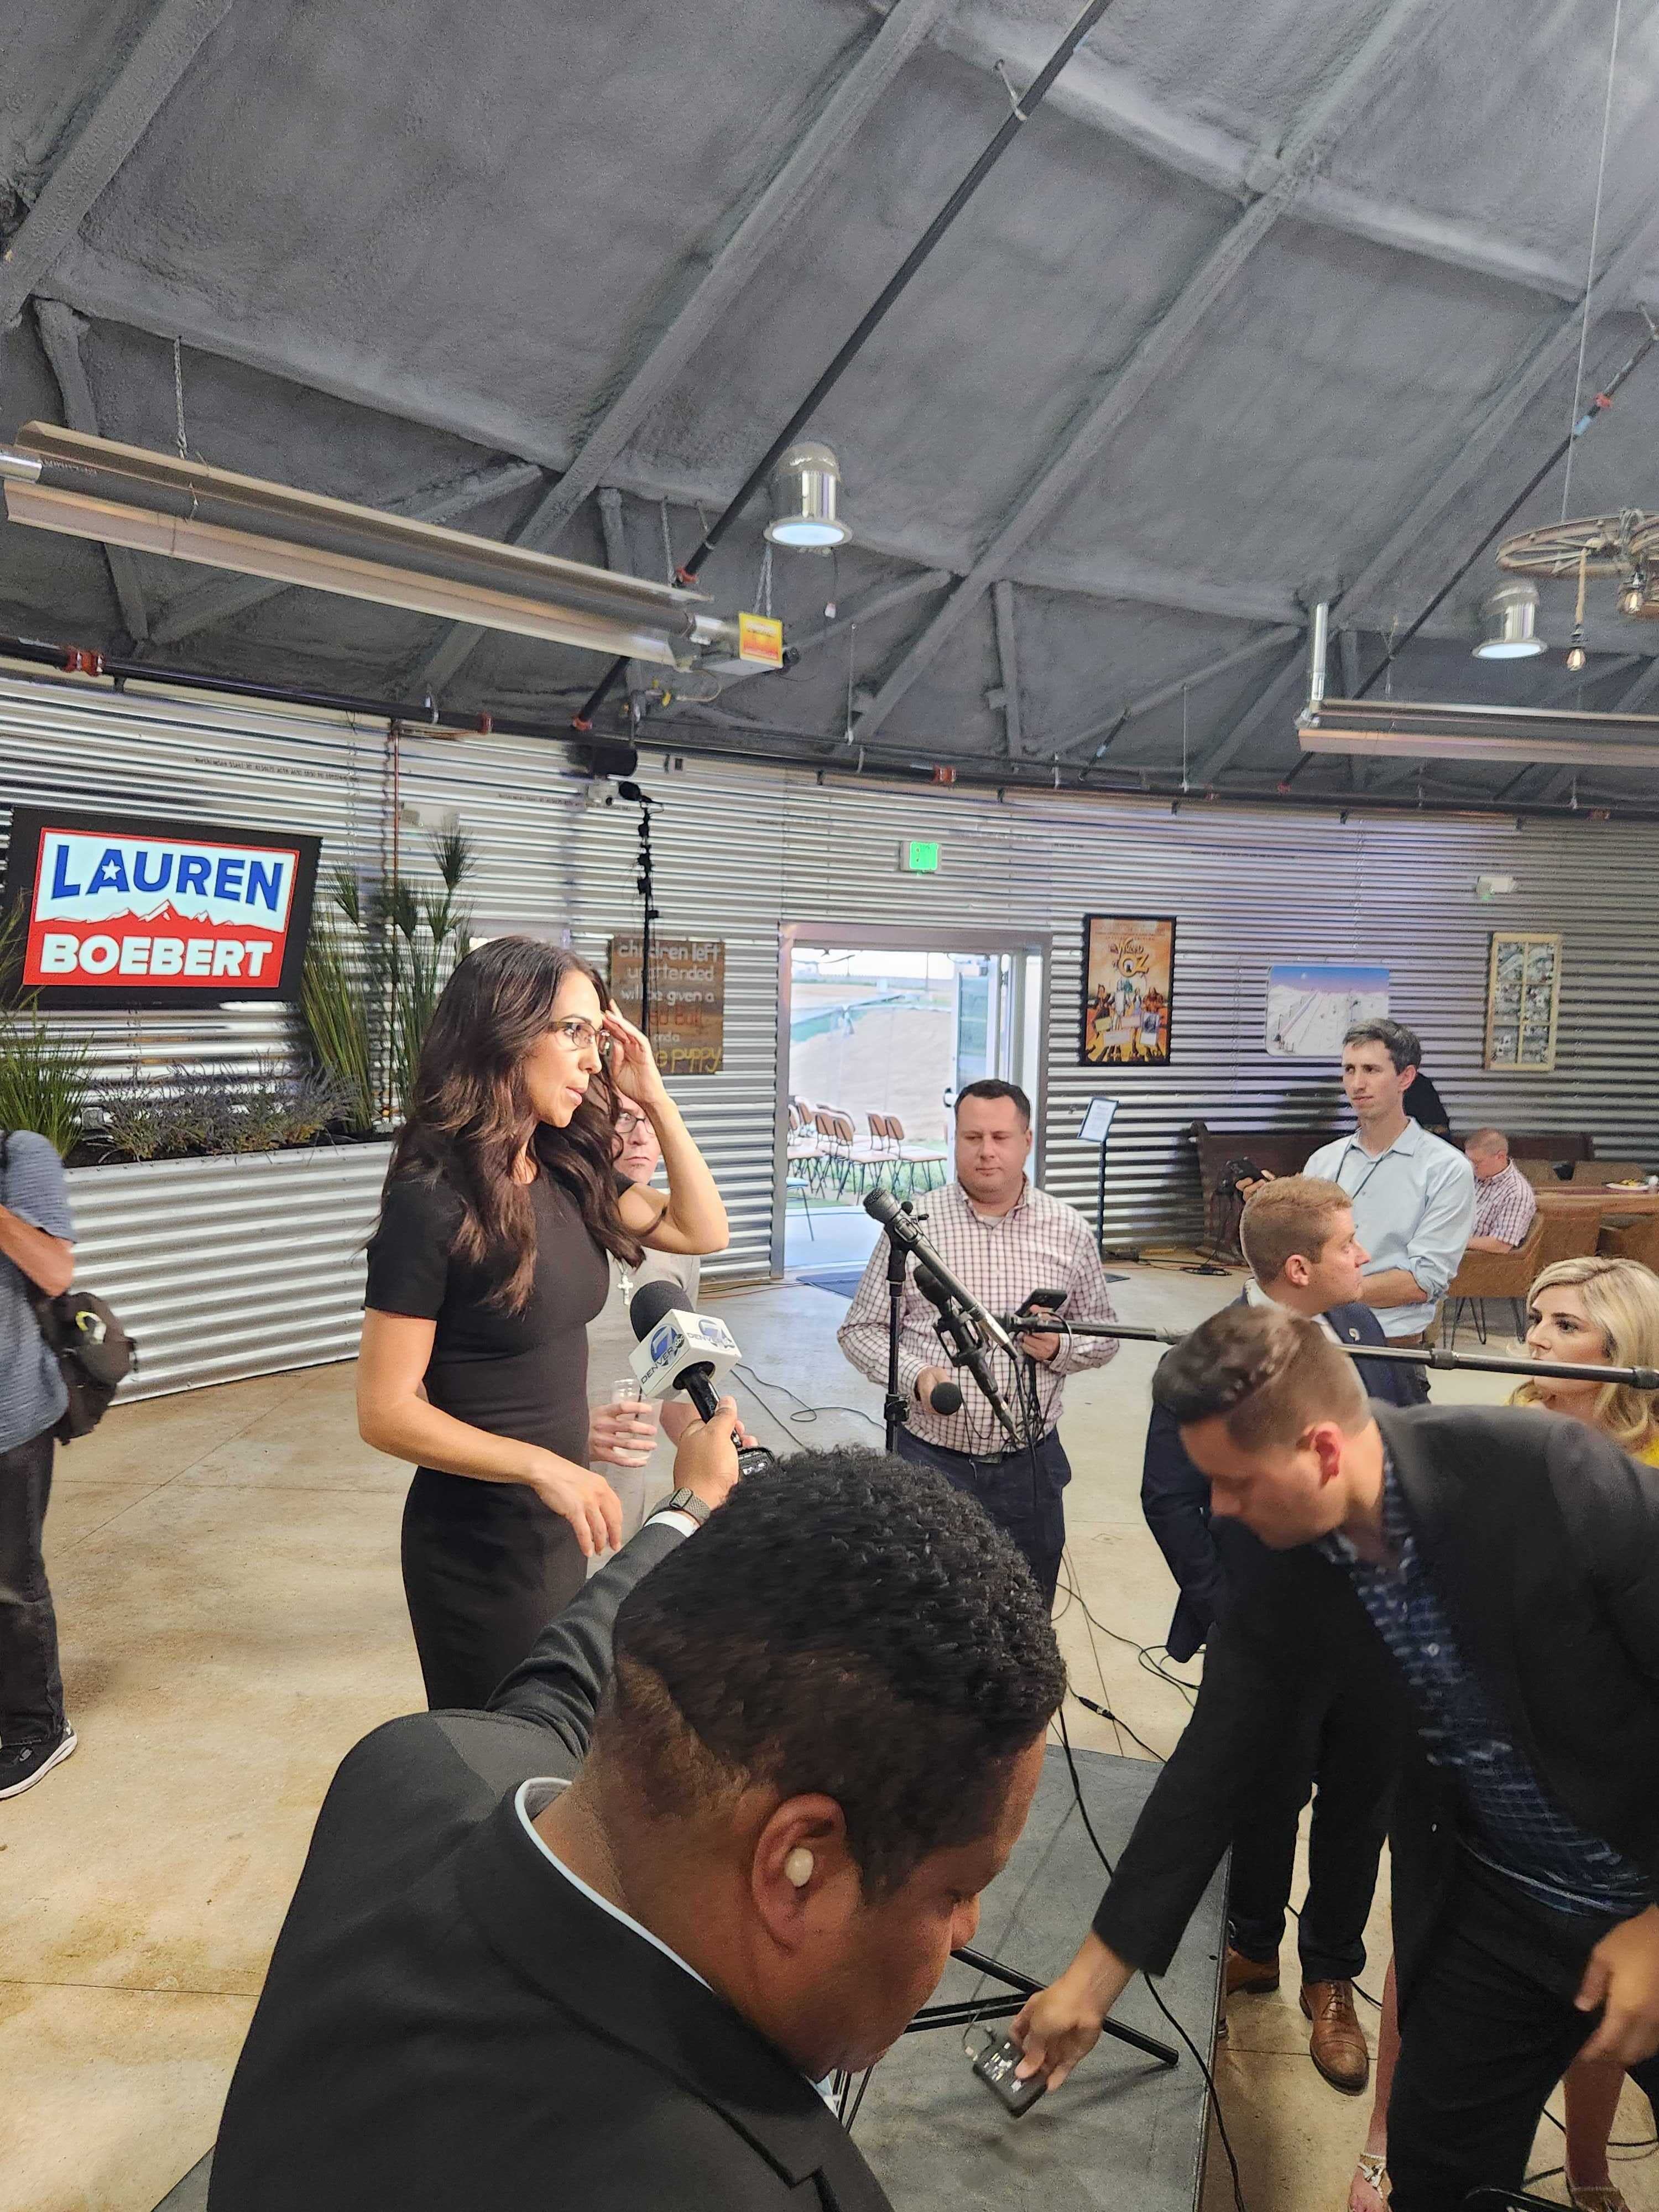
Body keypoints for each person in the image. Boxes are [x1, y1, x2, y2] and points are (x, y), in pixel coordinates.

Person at [206, 1439, 1066, 2212]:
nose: (966, 1933)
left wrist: (686, 1512)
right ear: (798, 1864)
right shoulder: (757, 2188)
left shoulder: (406, 1771)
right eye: (957, 1889)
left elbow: (566, 1673)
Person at [1012, 1302, 1659, 2212]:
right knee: (1440, 2183)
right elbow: (1222, 1753)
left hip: (1642, 1880)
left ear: (1321, 1451)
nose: (1222, 1510)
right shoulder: (1291, 1550)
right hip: (1490, 1904)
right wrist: (1092, 1978)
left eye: (1234, 1484)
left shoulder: (1553, 1481)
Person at [1348, 1253, 1659, 2212]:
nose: (1537, 1338)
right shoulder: (1498, 1442)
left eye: (1567, 1325)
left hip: (1618, 1833)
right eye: (1535, 1318)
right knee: (1425, 1958)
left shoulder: (1646, 1486)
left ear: (1631, 1349)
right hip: (1476, 1807)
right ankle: (1384, 2143)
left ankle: (1589, 2163)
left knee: (1604, 2011)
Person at [357, 936, 729, 1710]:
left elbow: (702, 1231)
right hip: (480, 1544)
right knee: (510, 1754)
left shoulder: (567, 1170)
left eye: (599, 1035)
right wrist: (542, 1465)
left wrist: (657, 1097)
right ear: (504, 1031)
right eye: (574, 1032)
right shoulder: (432, 1202)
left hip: (561, 1524)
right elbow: (385, 1412)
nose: (595, 1060)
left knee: (563, 1741)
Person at [1142, 1176, 1420, 2092]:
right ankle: (1250, 1947)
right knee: (1262, 1797)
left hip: (1376, 1631)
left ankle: (1331, 1976)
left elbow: (1408, 1456)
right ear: (1298, 1267)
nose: (1365, 1260)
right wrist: (1236, 1618)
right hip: (1268, 1632)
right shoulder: (1211, 1356)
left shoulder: (1370, 1331)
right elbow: (1173, 1498)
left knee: (1359, 1807)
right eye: (1350, 1246)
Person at [838, 1077, 1122, 1604]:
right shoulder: (912, 1227)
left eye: (1000, 1137)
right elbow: (861, 1330)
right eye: (972, 1138)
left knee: (1026, 1609)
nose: (986, 1152)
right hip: (930, 1460)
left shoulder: (1069, 1230)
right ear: (955, 1139)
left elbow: (1103, 1337)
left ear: (1027, 1142)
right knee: (924, 1608)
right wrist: (915, 1375)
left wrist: (1060, 1349)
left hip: (1030, 1464)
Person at [1302, 1019, 1474, 1348]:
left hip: (1391, 1343)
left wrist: (1328, 1292)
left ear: (1405, 1078)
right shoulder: (1323, 1161)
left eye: (1371, 1070)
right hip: (1316, 1337)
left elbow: (1422, 1281)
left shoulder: (1447, 1169)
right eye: (1349, 1070)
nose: (1357, 1084)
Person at [0, 1128, 78, 1798]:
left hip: (9, 1415)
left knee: (10, 1582)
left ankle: (37, 1727)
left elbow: (55, 1271)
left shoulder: (20, 1154)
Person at [585, 1102, 701, 1545]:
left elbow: (670, 1385)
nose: (639, 1137)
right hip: (533, 1498)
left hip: (620, 1509)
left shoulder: (681, 1244)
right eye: (623, 1119)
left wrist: (707, 1431)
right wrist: (571, 1431)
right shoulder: (545, 1233)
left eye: (651, 1121)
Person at [1464, 1126, 1540, 1254]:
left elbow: (1501, 1245)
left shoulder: (1516, 1194)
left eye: (1477, 1162)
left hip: (1473, 1262)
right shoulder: (1474, 1175)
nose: (1472, 1167)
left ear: (1500, 1157)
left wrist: (1455, 1242)